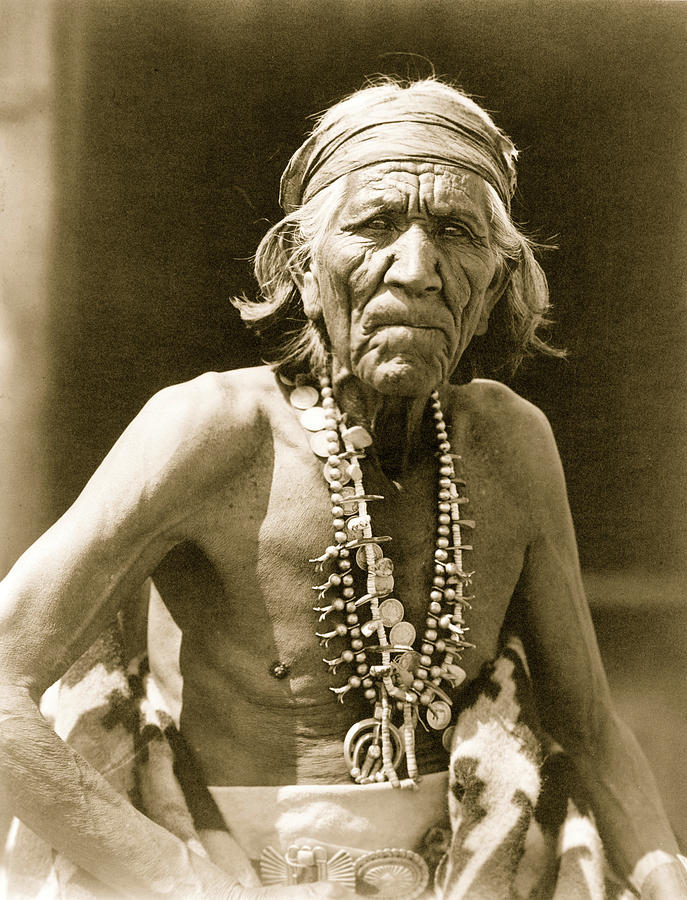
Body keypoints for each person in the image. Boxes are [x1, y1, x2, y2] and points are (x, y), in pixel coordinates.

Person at [0, 77, 685, 900]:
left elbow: (589, 730)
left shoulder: (509, 441)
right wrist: (180, 883)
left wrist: (664, 878)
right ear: (300, 260)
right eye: (374, 225)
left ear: (500, 278)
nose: (417, 269)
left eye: (456, 233)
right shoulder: (210, 429)